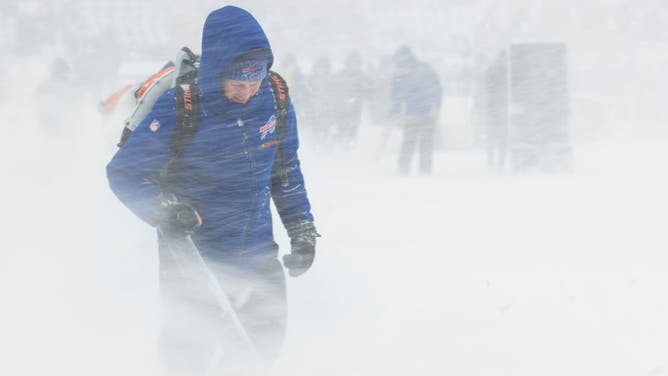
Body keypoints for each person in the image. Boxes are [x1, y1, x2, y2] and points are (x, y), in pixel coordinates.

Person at [106, 6, 319, 375]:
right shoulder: (182, 108)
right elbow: (124, 173)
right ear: (217, 69)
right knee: (188, 357)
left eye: (255, 82)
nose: (247, 92)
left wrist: (300, 227)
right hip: (192, 259)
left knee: (259, 352)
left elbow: (285, 169)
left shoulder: (275, 96)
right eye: (237, 84)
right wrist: (164, 209)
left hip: (256, 253)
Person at [390, 45, 442, 175]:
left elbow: (437, 89)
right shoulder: (424, 70)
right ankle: (410, 169)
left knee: (414, 143)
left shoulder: (424, 71)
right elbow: (396, 94)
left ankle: (416, 170)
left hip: (421, 113)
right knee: (416, 143)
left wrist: (436, 106)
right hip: (418, 113)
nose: (399, 67)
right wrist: (396, 111)